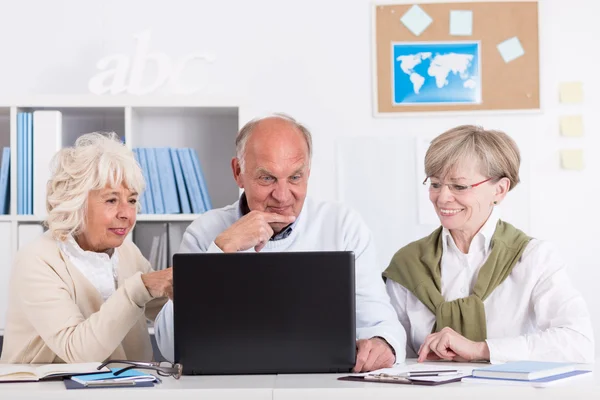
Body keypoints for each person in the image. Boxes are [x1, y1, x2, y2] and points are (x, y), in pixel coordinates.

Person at [155, 113, 407, 372]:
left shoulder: (343, 226)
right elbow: (169, 345)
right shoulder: (205, 231)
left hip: (323, 387)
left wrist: (383, 343)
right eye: (267, 178)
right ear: (238, 173)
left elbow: (383, 323)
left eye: (295, 177)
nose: (283, 196)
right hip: (231, 386)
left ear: (308, 172)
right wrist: (221, 248)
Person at [384, 125, 594, 364]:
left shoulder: (535, 258)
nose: (442, 197)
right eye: (435, 184)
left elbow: (578, 343)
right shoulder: (407, 263)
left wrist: (481, 349)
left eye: (459, 186)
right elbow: (393, 350)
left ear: (500, 189)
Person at [0, 132, 173, 364]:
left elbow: (169, 316)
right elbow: (78, 353)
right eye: (111, 200)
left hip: (126, 391)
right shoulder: (37, 260)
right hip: (44, 393)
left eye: (131, 200)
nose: (127, 213)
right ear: (76, 202)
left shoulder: (128, 253)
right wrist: (141, 287)